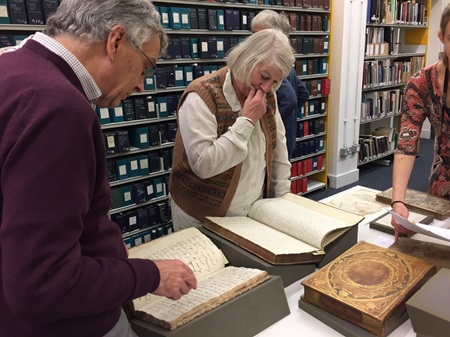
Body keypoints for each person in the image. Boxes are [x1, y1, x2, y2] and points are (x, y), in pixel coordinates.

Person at [0, 1, 197, 336]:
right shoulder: (58, 109)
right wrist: (151, 275)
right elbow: (44, 284)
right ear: (116, 41)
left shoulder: (11, 66)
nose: (140, 85)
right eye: (145, 68)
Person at [169, 29, 294, 230]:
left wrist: (283, 201)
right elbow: (203, 165)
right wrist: (247, 121)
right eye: (264, 76)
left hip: (250, 214)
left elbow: (278, 151)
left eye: (275, 82)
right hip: (202, 217)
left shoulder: (269, 95)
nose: (266, 87)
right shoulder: (202, 95)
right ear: (246, 60)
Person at [391, 4, 450, 238]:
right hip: (442, 185)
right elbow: (406, 143)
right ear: (442, 38)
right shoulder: (421, 83)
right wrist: (398, 201)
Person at [251, 9, 310, 159]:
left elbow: (291, 99)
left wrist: (271, 118)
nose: (252, 40)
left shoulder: (272, 67)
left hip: (276, 139)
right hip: (287, 135)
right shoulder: (285, 64)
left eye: (258, 35)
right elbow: (303, 93)